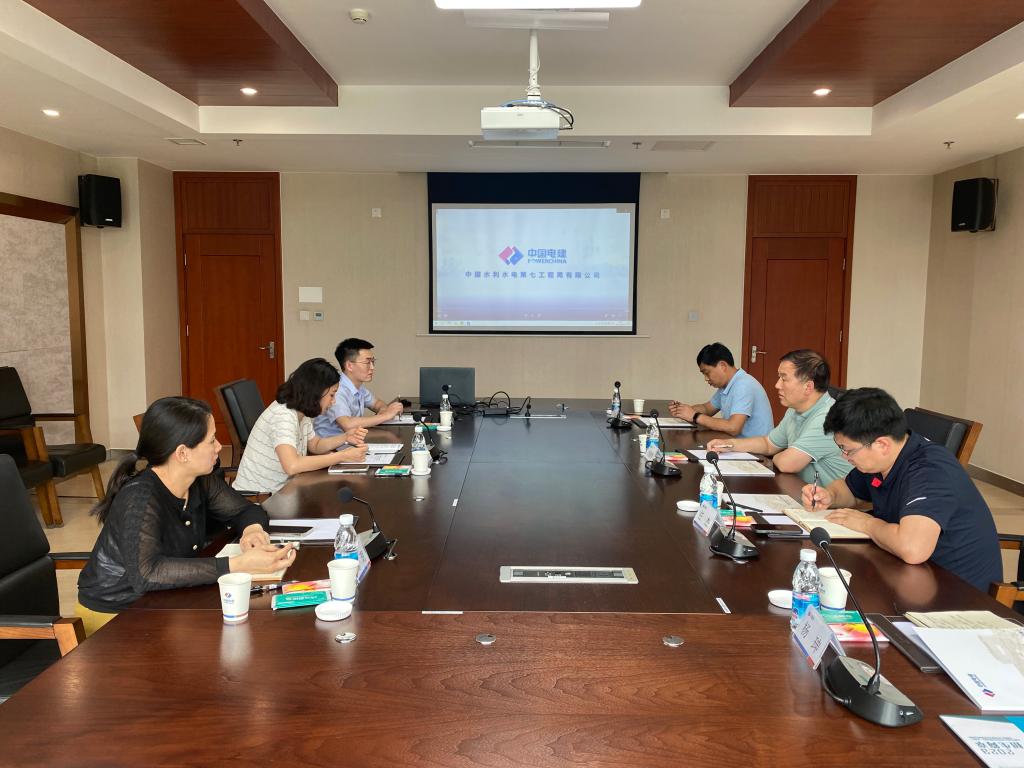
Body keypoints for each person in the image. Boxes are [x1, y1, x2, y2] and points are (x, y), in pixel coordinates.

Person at [77, 397, 297, 633]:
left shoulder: (199, 480)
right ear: (182, 453)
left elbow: (246, 510)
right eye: (211, 440)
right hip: (118, 613)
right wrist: (238, 564)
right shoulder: (140, 498)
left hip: (168, 598)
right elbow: (147, 574)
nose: (219, 446)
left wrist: (252, 530)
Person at [801, 387, 1000, 592]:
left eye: (848, 450)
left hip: (958, 594)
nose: (844, 456)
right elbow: (850, 490)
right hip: (912, 577)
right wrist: (829, 495)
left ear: (882, 444)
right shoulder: (881, 460)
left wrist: (867, 523)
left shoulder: (930, 470)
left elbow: (913, 549)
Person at [707, 349, 851, 484]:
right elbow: (768, 444)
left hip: (830, 500)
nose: (777, 385)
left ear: (808, 387)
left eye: (784, 378)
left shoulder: (828, 417)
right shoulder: (795, 410)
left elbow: (787, 464)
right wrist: (729, 445)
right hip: (802, 490)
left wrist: (775, 457)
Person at [233, 358, 369, 494]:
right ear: (316, 392)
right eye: (332, 395)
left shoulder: (301, 411)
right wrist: (342, 456)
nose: (333, 402)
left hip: (285, 490)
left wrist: (345, 437)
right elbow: (292, 465)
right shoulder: (283, 415)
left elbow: (315, 445)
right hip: (260, 498)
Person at [668, 342, 773, 438]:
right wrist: (683, 410)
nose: (706, 379)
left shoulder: (743, 385)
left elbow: (733, 427)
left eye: (707, 373)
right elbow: (707, 409)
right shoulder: (727, 385)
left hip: (755, 451)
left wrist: (695, 416)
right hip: (738, 445)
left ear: (722, 366)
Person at [314, 338, 404, 436]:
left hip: (350, 441)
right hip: (330, 444)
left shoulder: (358, 386)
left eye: (373, 362)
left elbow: (376, 403)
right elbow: (347, 424)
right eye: (367, 363)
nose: (372, 367)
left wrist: (383, 410)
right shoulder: (337, 389)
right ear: (349, 366)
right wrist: (385, 416)